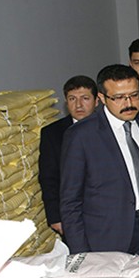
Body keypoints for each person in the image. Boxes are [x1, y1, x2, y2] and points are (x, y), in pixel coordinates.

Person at [60, 64, 139, 254]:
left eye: (134, 95)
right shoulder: (81, 135)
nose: (128, 103)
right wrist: (81, 253)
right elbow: (70, 202)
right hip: (106, 236)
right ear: (102, 98)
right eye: (118, 98)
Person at [38, 75, 98, 237]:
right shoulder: (52, 133)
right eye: (72, 99)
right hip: (73, 214)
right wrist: (55, 216)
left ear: (97, 101)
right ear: (66, 102)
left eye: (85, 98)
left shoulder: (111, 129)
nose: (78, 105)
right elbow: (48, 178)